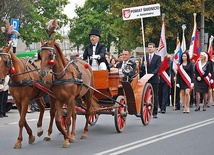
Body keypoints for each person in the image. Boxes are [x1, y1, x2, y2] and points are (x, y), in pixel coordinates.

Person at [140, 43, 161, 118]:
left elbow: (158, 68)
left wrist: (152, 74)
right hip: (146, 79)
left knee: (154, 95)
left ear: (154, 48)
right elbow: (141, 69)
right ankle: (143, 110)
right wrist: (143, 65)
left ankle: (155, 111)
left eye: (151, 47)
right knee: (145, 95)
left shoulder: (158, 57)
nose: (149, 49)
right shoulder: (145, 57)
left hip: (154, 79)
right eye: (148, 47)